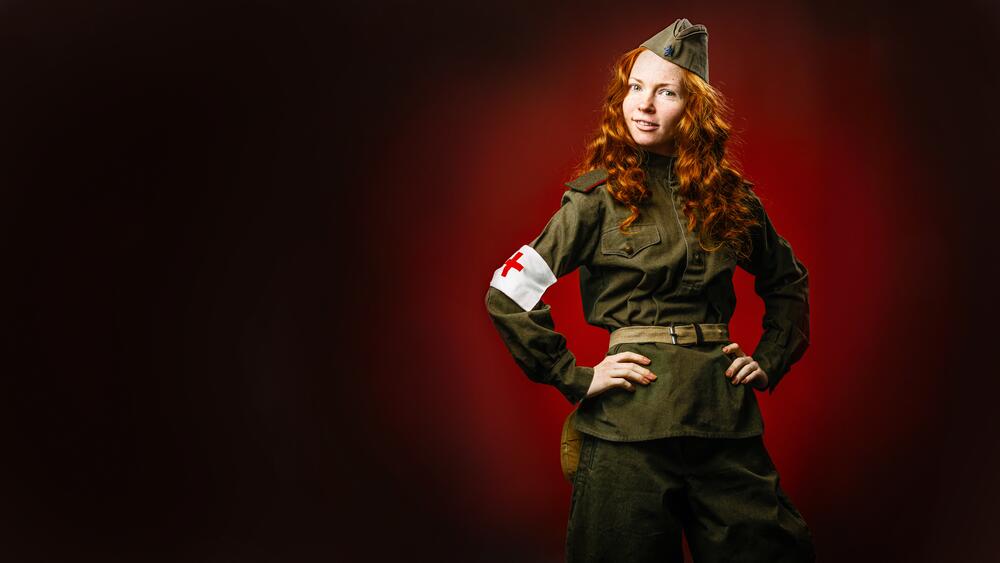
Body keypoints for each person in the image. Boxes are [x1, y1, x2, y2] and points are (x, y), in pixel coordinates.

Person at [484, 17, 816, 563]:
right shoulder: (596, 200)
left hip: (721, 419)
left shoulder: (731, 200)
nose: (642, 104)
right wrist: (573, 376)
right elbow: (508, 290)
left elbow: (788, 282)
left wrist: (770, 358)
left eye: (665, 92)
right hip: (628, 426)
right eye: (635, 87)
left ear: (695, 109)